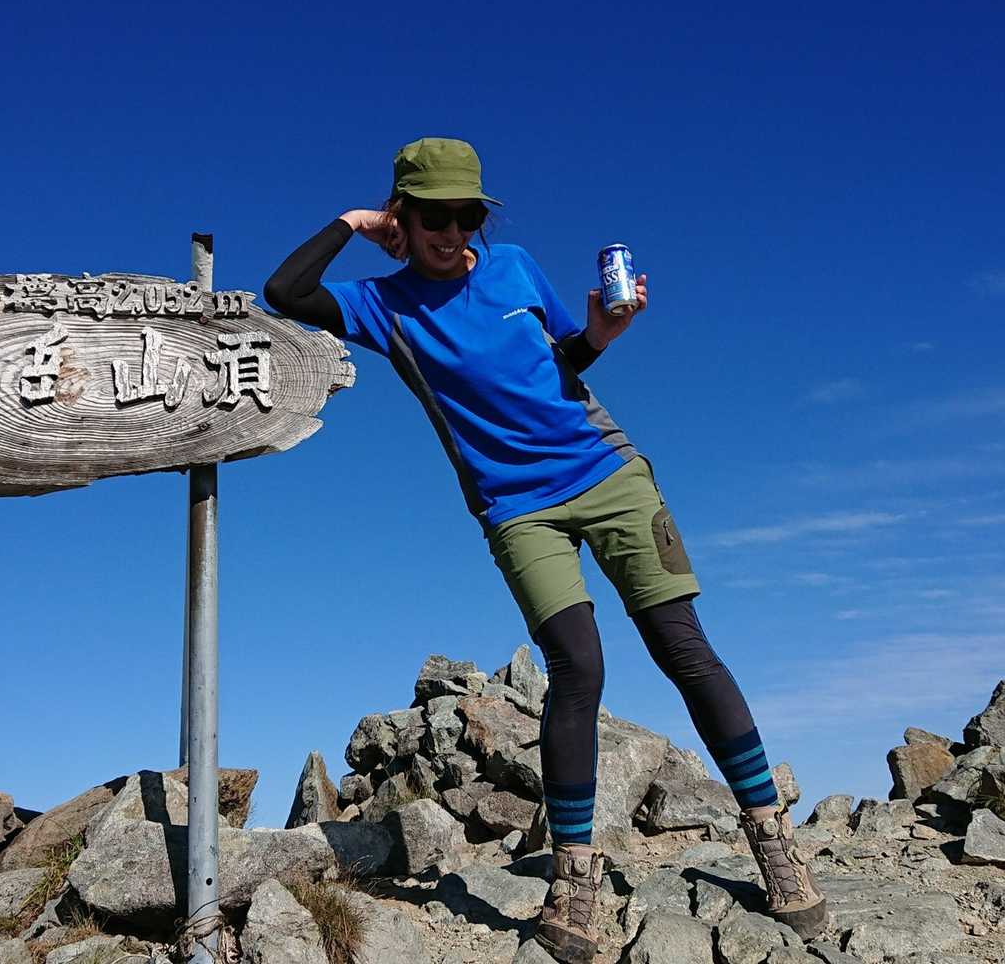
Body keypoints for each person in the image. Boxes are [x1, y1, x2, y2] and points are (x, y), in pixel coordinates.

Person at [262, 137, 827, 962]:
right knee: (578, 666)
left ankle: (773, 842)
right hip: (517, 508)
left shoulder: (517, 266)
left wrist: (599, 332)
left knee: (683, 647)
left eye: (467, 216)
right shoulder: (383, 306)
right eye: (434, 217)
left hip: (609, 473)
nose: (454, 233)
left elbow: (564, 360)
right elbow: (285, 291)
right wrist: (353, 222)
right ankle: (575, 880)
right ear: (403, 216)